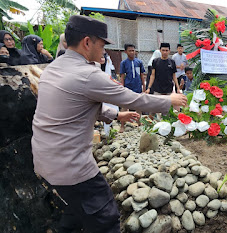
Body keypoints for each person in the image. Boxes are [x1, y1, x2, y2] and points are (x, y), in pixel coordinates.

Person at [31, 15, 187, 233]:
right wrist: (169, 101)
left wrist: (116, 116)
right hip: (71, 167)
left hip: (45, 160)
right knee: (106, 217)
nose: (104, 50)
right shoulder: (88, 74)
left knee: (74, 213)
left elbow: (74, 106)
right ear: (87, 42)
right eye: (103, 44)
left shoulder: (54, 68)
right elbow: (133, 99)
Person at [119, 43, 145, 132]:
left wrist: (144, 87)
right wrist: (122, 87)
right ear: (126, 52)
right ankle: (122, 125)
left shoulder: (139, 62)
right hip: (128, 87)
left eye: (133, 50)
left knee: (139, 106)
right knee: (125, 106)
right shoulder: (123, 63)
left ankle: (138, 122)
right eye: (130, 50)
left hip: (137, 86)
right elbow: (122, 76)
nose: (132, 52)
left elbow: (142, 75)